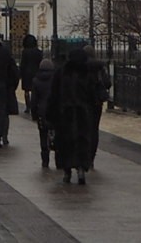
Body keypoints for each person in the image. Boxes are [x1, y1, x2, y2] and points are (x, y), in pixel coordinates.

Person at [49, 46, 100, 185]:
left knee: (66, 143)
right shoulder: (86, 73)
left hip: (64, 113)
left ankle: (67, 171)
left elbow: (54, 95)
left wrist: (51, 115)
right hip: (83, 113)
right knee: (82, 141)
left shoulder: (61, 73)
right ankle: (81, 168)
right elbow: (93, 95)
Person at [30, 51, 59, 167]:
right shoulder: (56, 80)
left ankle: (45, 159)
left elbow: (34, 101)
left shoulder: (36, 81)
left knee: (43, 135)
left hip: (42, 111)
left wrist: (34, 114)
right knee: (57, 134)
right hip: (55, 111)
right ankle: (57, 157)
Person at [19, 33, 43, 117]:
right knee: (34, 90)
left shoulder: (25, 52)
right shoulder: (39, 52)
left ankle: (28, 106)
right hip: (36, 72)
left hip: (26, 73)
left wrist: (21, 73)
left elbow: (23, 64)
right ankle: (34, 105)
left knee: (26, 91)